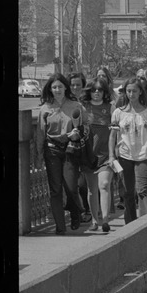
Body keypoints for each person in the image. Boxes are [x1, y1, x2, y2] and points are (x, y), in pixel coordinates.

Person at [108, 76, 147, 224]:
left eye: (134, 91)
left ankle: (145, 222)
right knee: (127, 192)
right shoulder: (118, 112)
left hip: (144, 155)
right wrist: (111, 156)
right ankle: (130, 223)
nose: (131, 94)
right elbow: (113, 136)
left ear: (140, 92)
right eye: (128, 91)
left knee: (142, 190)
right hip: (125, 155)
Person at [35, 73, 87, 234]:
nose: (57, 90)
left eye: (60, 86)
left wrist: (77, 134)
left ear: (66, 87)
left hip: (70, 149)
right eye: (54, 87)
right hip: (52, 150)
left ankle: (76, 212)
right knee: (55, 189)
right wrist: (38, 155)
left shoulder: (75, 106)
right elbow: (40, 133)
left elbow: (85, 128)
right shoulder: (45, 108)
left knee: (71, 187)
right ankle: (60, 226)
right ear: (50, 89)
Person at [80, 77, 114, 232]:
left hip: (106, 154)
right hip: (89, 154)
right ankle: (94, 220)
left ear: (104, 92)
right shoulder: (83, 107)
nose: (97, 93)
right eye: (93, 90)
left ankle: (105, 220)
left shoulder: (110, 107)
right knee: (92, 189)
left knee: (104, 185)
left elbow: (115, 131)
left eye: (100, 90)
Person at [68, 72, 92, 221]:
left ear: (83, 86)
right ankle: (77, 212)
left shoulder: (87, 103)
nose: (75, 87)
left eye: (78, 84)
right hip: (68, 147)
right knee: (71, 183)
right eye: (72, 84)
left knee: (83, 183)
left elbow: (89, 124)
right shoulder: (64, 103)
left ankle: (87, 209)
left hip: (84, 147)